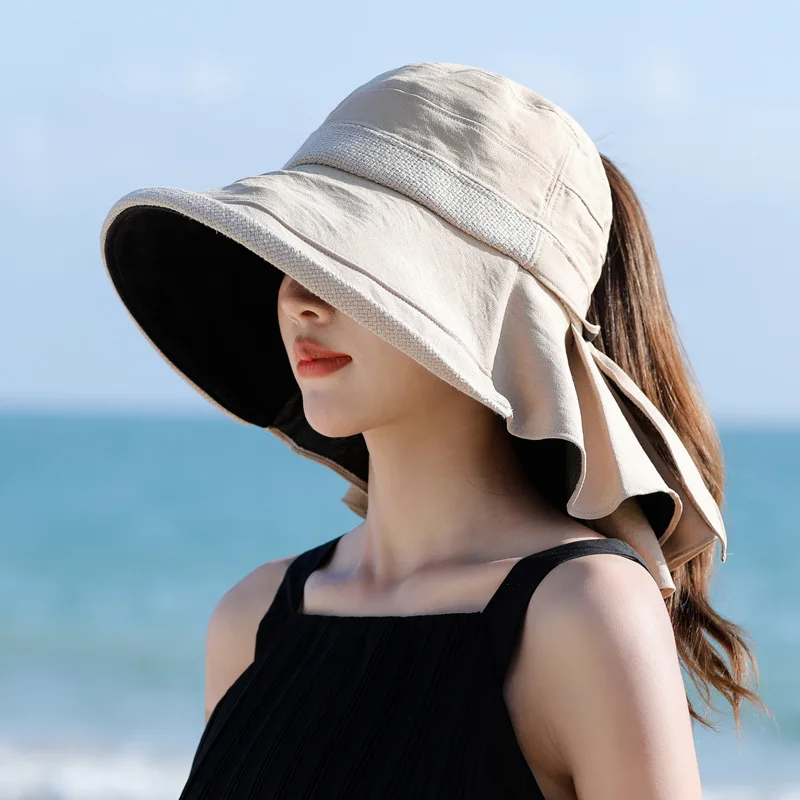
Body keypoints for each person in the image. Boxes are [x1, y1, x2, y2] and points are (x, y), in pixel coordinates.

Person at [99, 61, 770, 799]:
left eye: (350, 260)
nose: (298, 298)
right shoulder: (251, 621)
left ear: (485, 312)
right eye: (289, 252)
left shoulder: (583, 614)